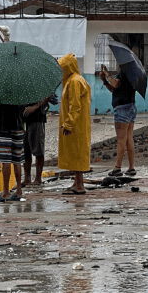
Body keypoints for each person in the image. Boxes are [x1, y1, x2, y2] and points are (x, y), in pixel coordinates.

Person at [58, 53, 91, 195]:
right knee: (75, 153)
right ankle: (77, 182)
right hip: (79, 123)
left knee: (77, 153)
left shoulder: (74, 82)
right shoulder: (76, 80)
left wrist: (69, 123)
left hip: (76, 125)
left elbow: (75, 105)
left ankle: (79, 185)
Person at [100, 64, 137, 177]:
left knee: (121, 140)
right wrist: (104, 80)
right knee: (129, 138)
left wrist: (107, 75)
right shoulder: (132, 74)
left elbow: (116, 84)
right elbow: (115, 90)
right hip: (131, 107)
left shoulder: (123, 72)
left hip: (122, 109)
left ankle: (117, 168)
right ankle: (131, 167)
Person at [0, 101, 25, 202]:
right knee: (17, 160)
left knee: (6, 160)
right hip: (18, 126)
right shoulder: (20, 89)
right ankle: (18, 190)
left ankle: (5, 192)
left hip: (3, 126)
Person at [21, 94, 57, 187]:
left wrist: (35, 107)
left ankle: (38, 178)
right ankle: (27, 178)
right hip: (23, 119)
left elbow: (49, 95)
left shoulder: (39, 83)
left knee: (38, 149)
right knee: (25, 150)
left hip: (37, 119)